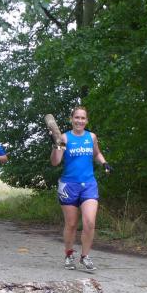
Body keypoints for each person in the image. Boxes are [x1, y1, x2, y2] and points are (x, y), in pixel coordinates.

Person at [50, 106, 112, 271]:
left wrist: (104, 163)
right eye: (76, 117)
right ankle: (69, 254)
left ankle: (85, 256)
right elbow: (55, 162)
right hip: (68, 186)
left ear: (87, 120)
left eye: (83, 118)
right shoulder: (65, 137)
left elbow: (96, 153)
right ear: (71, 119)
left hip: (89, 185)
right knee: (71, 224)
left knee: (89, 222)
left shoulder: (91, 137)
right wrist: (56, 145)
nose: (79, 121)